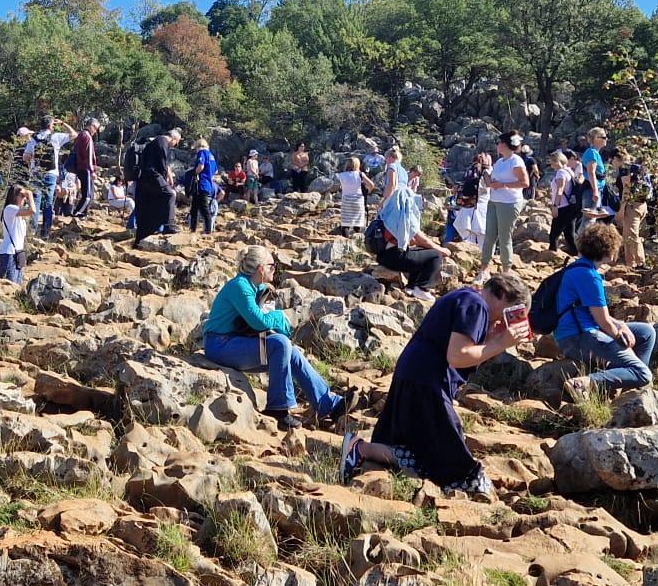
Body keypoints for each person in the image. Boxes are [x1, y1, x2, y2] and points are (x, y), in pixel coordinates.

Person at [340, 271, 530, 499]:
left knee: (421, 452)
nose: (503, 321)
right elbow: (458, 355)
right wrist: (500, 343)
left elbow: (461, 352)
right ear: (502, 295)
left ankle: (359, 449)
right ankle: (360, 449)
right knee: (449, 453)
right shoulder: (476, 304)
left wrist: (490, 338)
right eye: (511, 313)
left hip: (416, 375)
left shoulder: (467, 298)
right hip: (426, 381)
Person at [201, 245, 339, 431]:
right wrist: (281, 318)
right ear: (260, 269)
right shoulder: (240, 287)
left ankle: (328, 403)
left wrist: (263, 288)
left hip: (231, 342)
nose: (275, 269)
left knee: (291, 351)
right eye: (272, 265)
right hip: (219, 344)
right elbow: (258, 322)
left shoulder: (248, 285)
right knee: (280, 343)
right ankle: (279, 409)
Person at [557, 222, 655, 398]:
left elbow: (599, 316)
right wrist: (621, 338)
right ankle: (584, 382)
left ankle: (629, 383)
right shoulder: (590, 277)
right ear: (609, 251)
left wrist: (621, 325)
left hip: (576, 332)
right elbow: (603, 322)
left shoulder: (576, 267)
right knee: (643, 373)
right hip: (578, 338)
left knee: (646, 331)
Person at [371, 168, 443, 299]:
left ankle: (410, 287)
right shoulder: (403, 214)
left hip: (382, 255)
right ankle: (422, 288)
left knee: (418, 251)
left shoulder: (387, 210)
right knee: (435, 256)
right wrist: (441, 249)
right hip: (395, 257)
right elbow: (420, 238)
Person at [481, 134, 529, 273]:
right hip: (494, 201)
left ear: (505, 144)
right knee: (489, 235)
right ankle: (484, 268)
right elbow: (492, 182)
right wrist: (485, 173)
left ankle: (506, 270)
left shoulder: (516, 161)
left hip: (509, 203)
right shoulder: (500, 161)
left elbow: (525, 183)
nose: (497, 145)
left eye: (498, 142)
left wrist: (503, 185)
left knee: (504, 237)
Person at [134, 128, 180, 246]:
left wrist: (168, 176)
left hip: (143, 178)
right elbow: (163, 164)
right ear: (173, 139)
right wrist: (166, 181)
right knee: (170, 194)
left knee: (149, 206)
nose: (175, 145)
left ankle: (140, 239)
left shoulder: (155, 142)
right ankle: (168, 225)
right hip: (152, 175)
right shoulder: (163, 142)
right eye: (177, 142)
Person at [0, 184, 34, 285]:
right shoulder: (10, 208)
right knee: (7, 286)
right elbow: (32, 211)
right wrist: (29, 194)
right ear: (14, 196)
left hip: (18, 253)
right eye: (22, 196)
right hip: (8, 253)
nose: (24, 198)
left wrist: (26, 195)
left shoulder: (18, 213)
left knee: (16, 287)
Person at [546, 151, 578, 252]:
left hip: (562, 207)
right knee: (569, 235)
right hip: (571, 207)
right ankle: (575, 254)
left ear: (558, 161)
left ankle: (552, 256)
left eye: (552, 162)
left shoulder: (560, 173)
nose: (551, 165)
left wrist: (555, 205)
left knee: (554, 235)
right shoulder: (570, 171)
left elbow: (560, 189)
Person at [189, 138, 220, 234]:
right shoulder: (211, 156)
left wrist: (194, 173)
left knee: (202, 208)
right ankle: (195, 229)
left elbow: (201, 166)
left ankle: (205, 230)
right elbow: (216, 171)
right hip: (208, 184)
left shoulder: (202, 152)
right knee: (196, 207)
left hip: (201, 183)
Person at [71, 119, 97, 219]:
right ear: (91, 126)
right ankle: (77, 213)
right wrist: (92, 171)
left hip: (80, 167)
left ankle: (82, 214)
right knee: (88, 195)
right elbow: (88, 156)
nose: (95, 131)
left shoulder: (80, 135)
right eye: (95, 128)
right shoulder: (87, 136)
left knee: (88, 194)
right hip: (85, 168)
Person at [337, 155, 369, 234]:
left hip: (346, 200)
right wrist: (368, 191)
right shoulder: (360, 174)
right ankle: (358, 240)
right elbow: (371, 185)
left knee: (345, 224)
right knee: (357, 223)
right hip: (358, 200)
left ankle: (346, 241)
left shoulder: (341, 175)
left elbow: (336, 184)